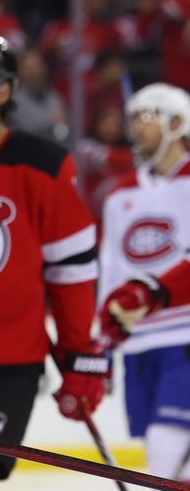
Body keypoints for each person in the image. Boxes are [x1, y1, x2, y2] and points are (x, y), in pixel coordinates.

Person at [0, 35, 108, 491]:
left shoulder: (43, 164)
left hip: (9, 364)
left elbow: (70, 270)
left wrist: (77, 352)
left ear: (3, 92)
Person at [97, 83, 190, 482]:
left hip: (184, 337)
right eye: (133, 118)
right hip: (138, 342)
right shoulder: (119, 194)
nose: (136, 127)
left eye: (146, 118)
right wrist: (102, 342)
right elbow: (111, 271)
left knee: (164, 449)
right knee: (165, 455)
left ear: (175, 122)